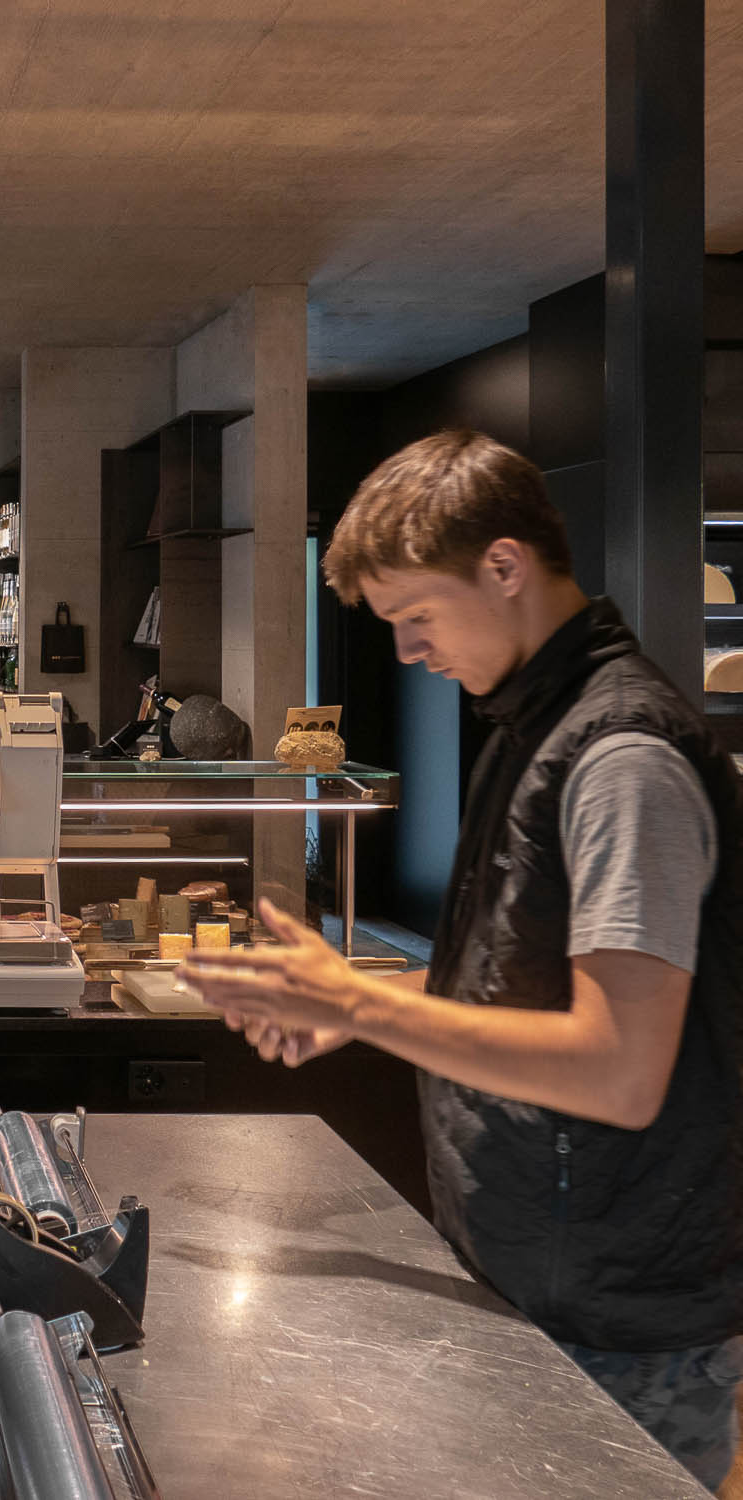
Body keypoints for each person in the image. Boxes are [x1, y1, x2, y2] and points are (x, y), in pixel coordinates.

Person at [180, 430, 743, 1490]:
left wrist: (357, 996)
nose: (404, 651)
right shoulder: (530, 728)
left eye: (413, 617)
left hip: (618, 1320)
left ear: (501, 566)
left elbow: (617, 1069)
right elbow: (512, 992)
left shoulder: (620, 760)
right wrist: (350, 1011)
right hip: (535, 1281)